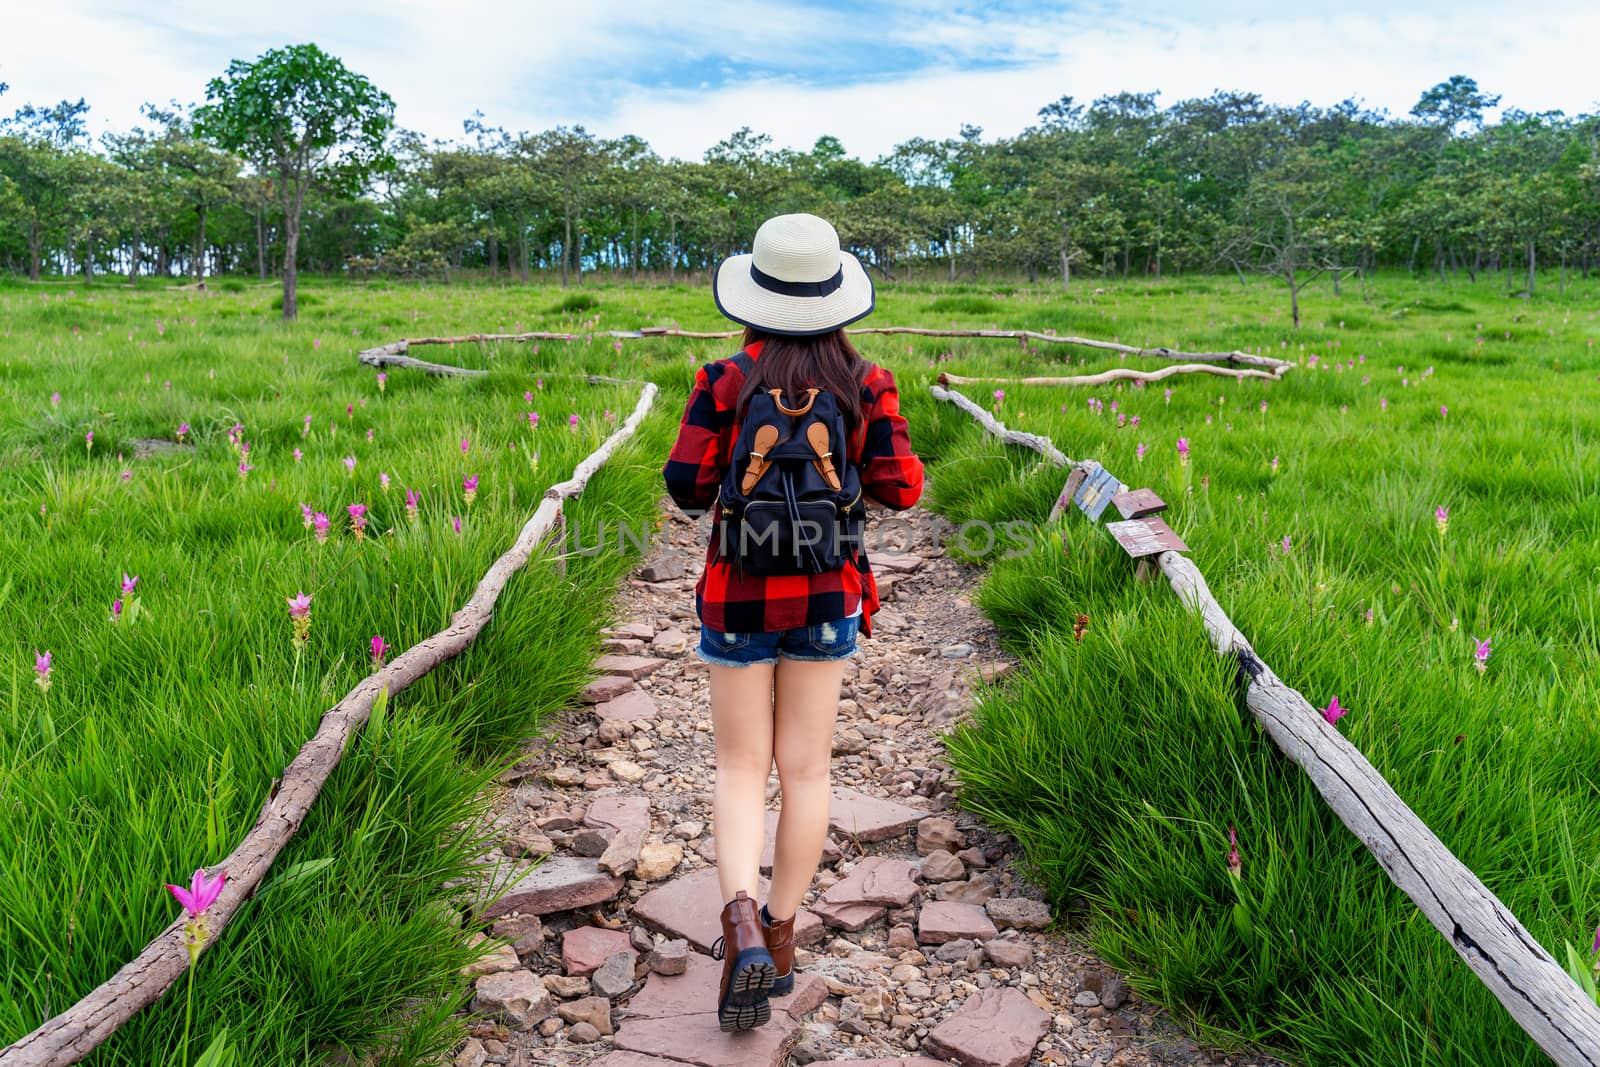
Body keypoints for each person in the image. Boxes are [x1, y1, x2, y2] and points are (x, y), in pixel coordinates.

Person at [662, 213, 924, 1031]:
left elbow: (684, 484)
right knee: (805, 770)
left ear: (755, 293)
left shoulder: (724, 379)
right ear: (835, 298)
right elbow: (903, 487)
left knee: (741, 766)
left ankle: (735, 918)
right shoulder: (866, 381)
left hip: (737, 593)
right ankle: (777, 938)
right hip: (826, 594)